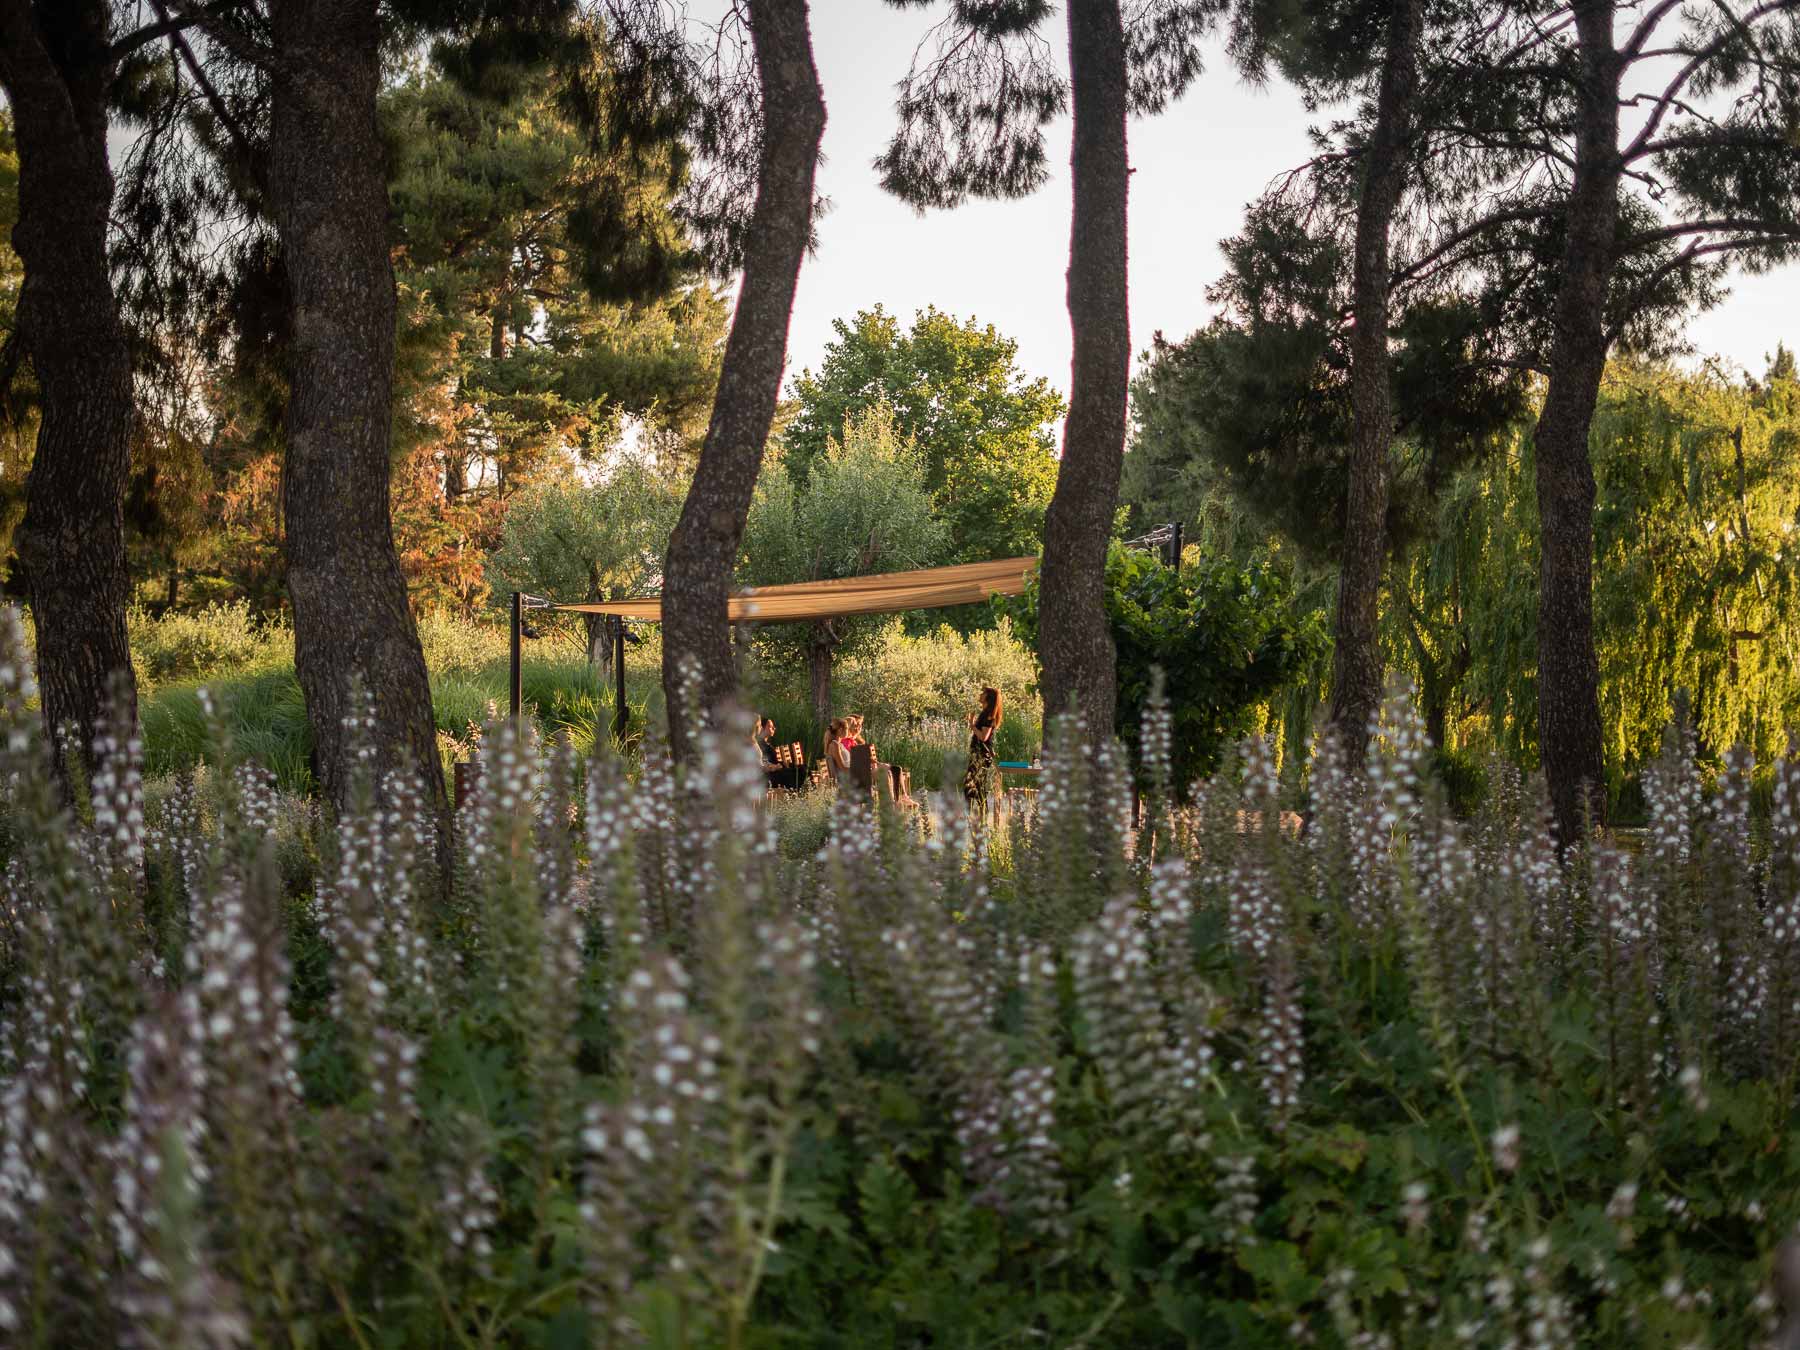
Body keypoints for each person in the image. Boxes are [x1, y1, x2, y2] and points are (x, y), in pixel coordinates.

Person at [962, 686, 1002, 812]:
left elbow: (983, 737)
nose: (980, 694)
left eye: (983, 693)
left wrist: (971, 725)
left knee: (974, 785)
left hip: (982, 754)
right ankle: (977, 812)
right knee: (975, 785)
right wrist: (972, 723)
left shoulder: (988, 716)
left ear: (988, 697)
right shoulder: (984, 713)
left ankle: (977, 812)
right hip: (978, 753)